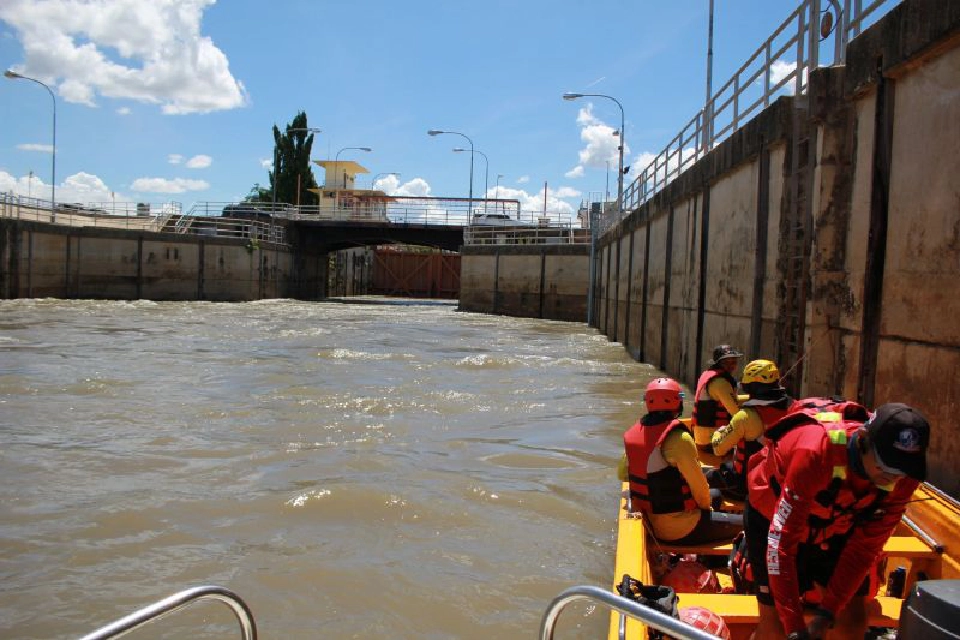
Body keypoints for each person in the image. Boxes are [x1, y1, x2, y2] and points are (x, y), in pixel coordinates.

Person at [744, 402, 930, 640]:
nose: (893, 478)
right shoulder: (814, 453)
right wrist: (794, 627)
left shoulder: (904, 477)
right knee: (776, 627)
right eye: (886, 465)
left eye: (901, 470)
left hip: (837, 522)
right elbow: (781, 545)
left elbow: (865, 549)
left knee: (851, 623)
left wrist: (827, 612)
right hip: (772, 518)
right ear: (863, 441)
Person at [618, 377, 743, 544]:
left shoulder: (635, 433)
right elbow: (699, 487)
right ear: (677, 402)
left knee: (716, 494)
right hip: (679, 529)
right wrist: (706, 511)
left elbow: (622, 473)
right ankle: (711, 560)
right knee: (746, 524)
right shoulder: (680, 438)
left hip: (650, 522)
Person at [708, 359, 793, 500]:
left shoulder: (744, 417)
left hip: (745, 486)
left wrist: (720, 432)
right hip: (778, 485)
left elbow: (718, 449)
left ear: (750, 388)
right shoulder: (792, 409)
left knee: (709, 477)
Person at [692, 345, 744, 452]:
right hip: (712, 441)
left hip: (701, 437)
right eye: (726, 363)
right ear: (718, 363)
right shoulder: (721, 382)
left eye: (733, 362)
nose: (731, 366)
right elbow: (736, 413)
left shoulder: (707, 374)